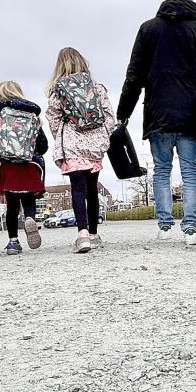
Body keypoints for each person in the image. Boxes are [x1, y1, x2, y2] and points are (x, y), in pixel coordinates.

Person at [116, 0, 196, 246]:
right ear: (192, 3)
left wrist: (123, 112)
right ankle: (190, 230)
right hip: (191, 115)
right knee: (190, 172)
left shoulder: (148, 29)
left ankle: (164, 227)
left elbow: (134, 75)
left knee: (161, 171)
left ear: (169, 0)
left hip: (158, 113)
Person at [46, 47, 117, 253]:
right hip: (94, 147)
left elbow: (53, 118)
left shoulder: (58, 90)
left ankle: (82, 234)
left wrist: (62, 137)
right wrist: (102, 136)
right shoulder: (97, 88)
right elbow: (109, 116)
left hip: (72, 145)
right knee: (92, 190)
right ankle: (94, 234)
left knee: (78, 189)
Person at [0, 81, 49, 255]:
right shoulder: (32, 115)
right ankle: (30, 218)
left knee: (12, 206)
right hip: (29, 165)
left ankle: (13, 242)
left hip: (7, 166)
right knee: (29, 200)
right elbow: (43, 144)